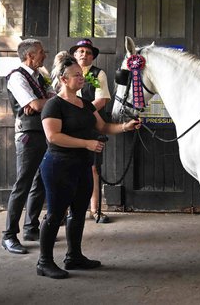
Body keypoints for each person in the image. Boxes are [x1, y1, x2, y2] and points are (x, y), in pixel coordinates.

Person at [37, 52, 140, 279]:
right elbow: (53, 136)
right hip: (58, 166)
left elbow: (103, 127)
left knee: (78, 212)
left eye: (80, 75)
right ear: (63, 80)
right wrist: (86, 143)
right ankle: (44, 262)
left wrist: (125, 127)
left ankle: (74, 257)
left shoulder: (85, 104)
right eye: (75, 75)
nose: (81, 78)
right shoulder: (53, 105)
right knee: (55, 214)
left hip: (82, 165)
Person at [1, 39, 55, 254]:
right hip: (28, 135)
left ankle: (31, 228)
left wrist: (40, 102)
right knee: (23, 184)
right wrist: (38, 102)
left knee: (40, 180)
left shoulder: (40, 77)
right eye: (41, 53)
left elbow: (46, 100)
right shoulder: (17, 76)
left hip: (43, 132)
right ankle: (8, 236)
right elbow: (35, 105)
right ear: (30, 56)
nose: (44, 56)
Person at [70, 39, 112, 223]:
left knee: (94, 168)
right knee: (68, 168)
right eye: (80, 51)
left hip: (91, 127)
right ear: (74, 54)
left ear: (93, 56)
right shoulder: (66, 72)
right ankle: (66, 211)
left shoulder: (98, 74)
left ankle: (95, 210)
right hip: (69, 128)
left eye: (87, 52)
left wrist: (80, 114)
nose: (84, 55)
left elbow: (101, 100)